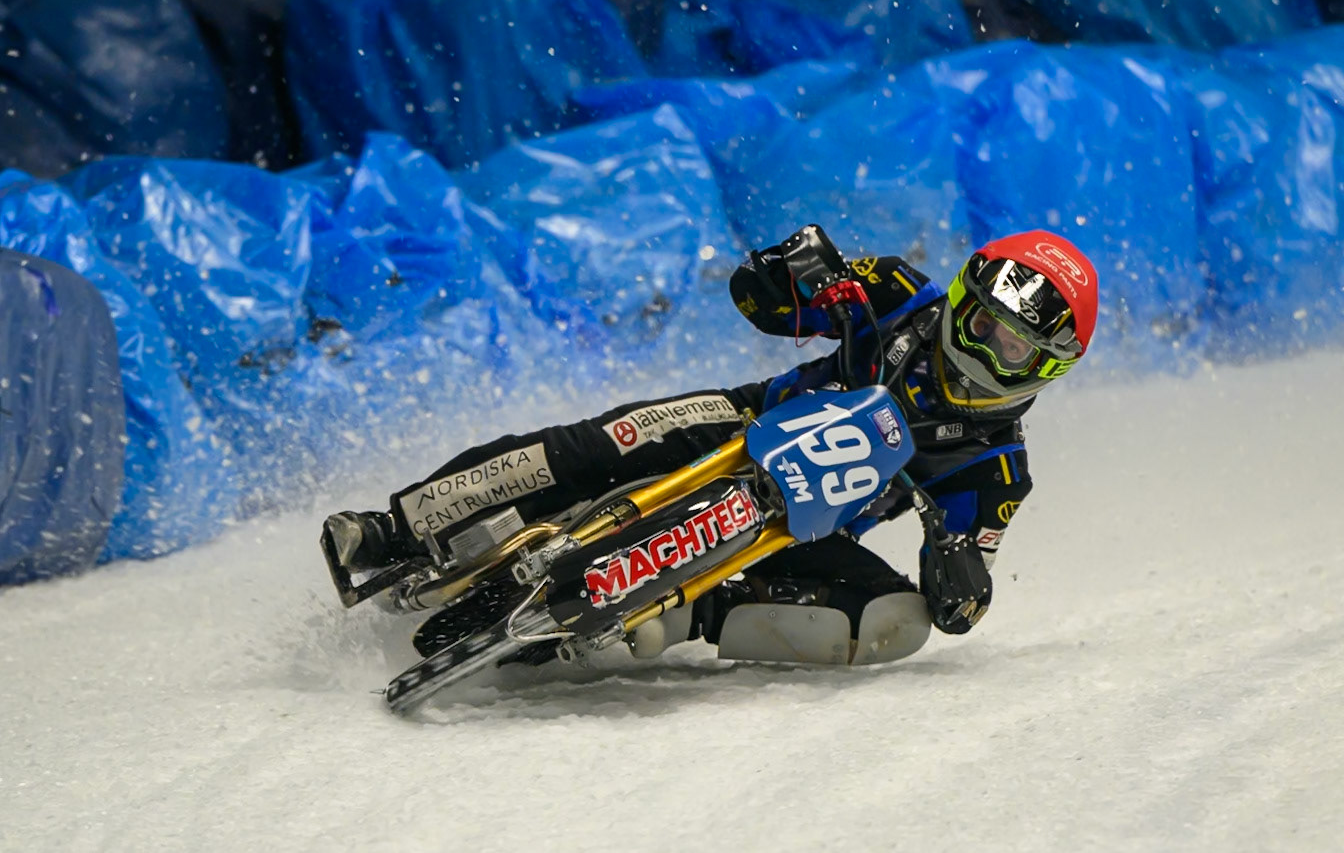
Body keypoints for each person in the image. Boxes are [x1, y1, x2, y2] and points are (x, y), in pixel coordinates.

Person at [321, 224, 1098, 665]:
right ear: (961, 296)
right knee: (599, 443)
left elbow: (961, 602)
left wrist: (957, 569)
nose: (983, 348)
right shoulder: (898, 292)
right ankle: (395, 525)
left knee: (897, 621)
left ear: (1048, 368)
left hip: (797, 527)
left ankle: (689, 612)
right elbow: (759, 299)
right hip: (749, 417)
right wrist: (789, 271)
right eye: (981, 322)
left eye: (1012, 348)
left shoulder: (999, 472)